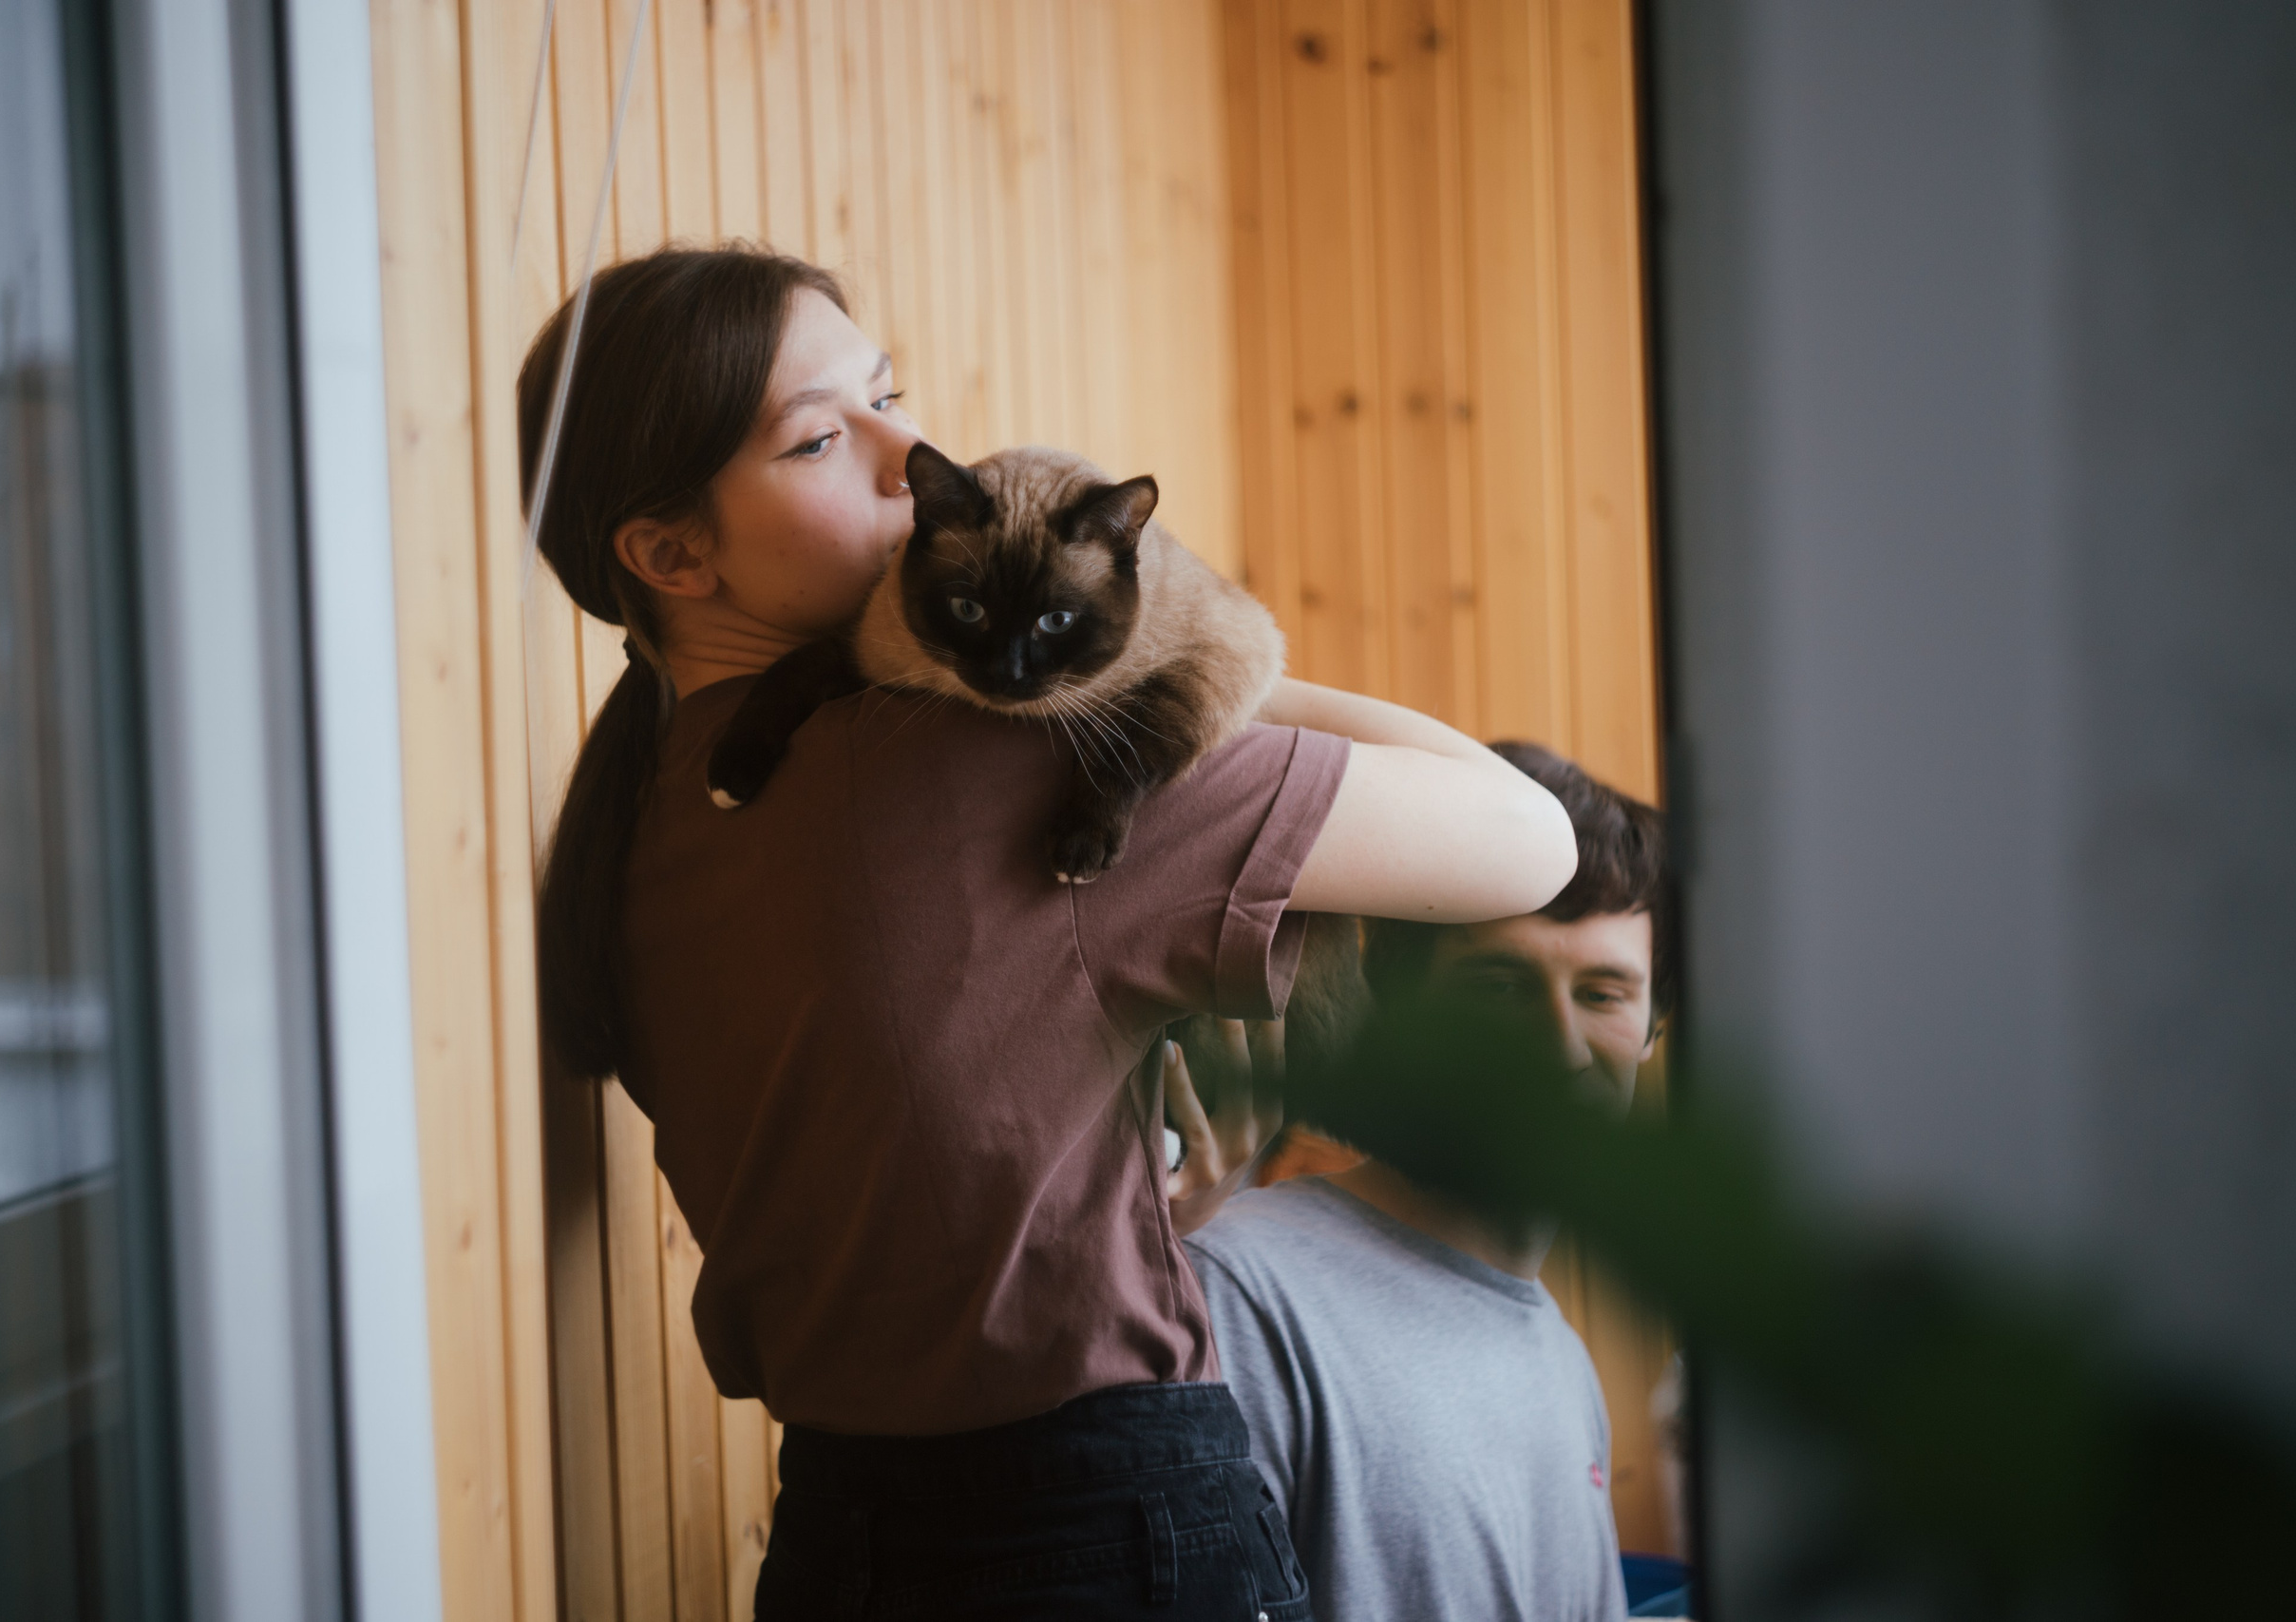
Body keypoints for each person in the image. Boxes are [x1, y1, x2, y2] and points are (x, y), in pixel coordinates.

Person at [522, 245, 1578, 1619]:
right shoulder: (991, 765)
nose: (911, 458)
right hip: (1102, 1532)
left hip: (839, 1536)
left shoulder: (649, 811)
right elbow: (1527, 838)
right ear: (672, 552)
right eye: (828, 436)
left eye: (893, 393)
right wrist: (1188, 641)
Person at [1182, 741, 1669, 1622]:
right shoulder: (1244, 1297)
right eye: (1497, 984)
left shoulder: (1561, 1359)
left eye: (1602, 994)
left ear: (1649, 1027)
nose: (1557, 1047)